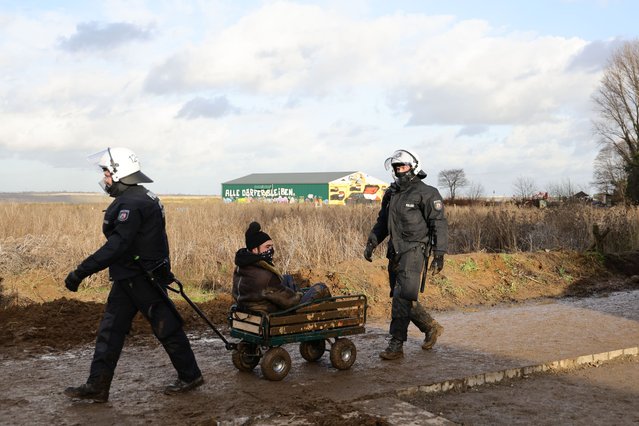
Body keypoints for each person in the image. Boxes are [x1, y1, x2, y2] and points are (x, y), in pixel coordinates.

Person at [63, 147, 203, 403]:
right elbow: (155, 239)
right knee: (111, 330)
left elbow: (117, 246)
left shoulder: (131, 203)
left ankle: (190, 376)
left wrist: (80, 272)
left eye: (106, 173)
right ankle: (97, 386)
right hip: (135, 276)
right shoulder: (145, 197)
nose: (105, 179)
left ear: (119, 173)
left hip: (141, 278)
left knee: (165, 327)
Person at [364, 149, 448, 360]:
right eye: (396, 167)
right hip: (395, 250)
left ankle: (396, 344)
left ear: (414, 167)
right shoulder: (391, 193)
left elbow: (438, 224)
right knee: (402, 296)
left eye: (402, 167)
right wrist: (372, 242)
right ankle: (430, 327)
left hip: (415, 250)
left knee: (402, 296)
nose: (399, 171)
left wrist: (439, 253)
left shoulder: (427, 193)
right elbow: (383, 221)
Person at [232, 221, 331, 313]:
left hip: (251, 310)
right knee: (321, 287)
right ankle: (335, 320)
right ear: (255, 250)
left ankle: (297, 294)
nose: (271, 250)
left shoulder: (240, 268)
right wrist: (300, 295)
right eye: (267, 247)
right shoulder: (266, 277)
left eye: (271, 246)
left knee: (287, 278)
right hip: (276, 314)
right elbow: (291, 302)